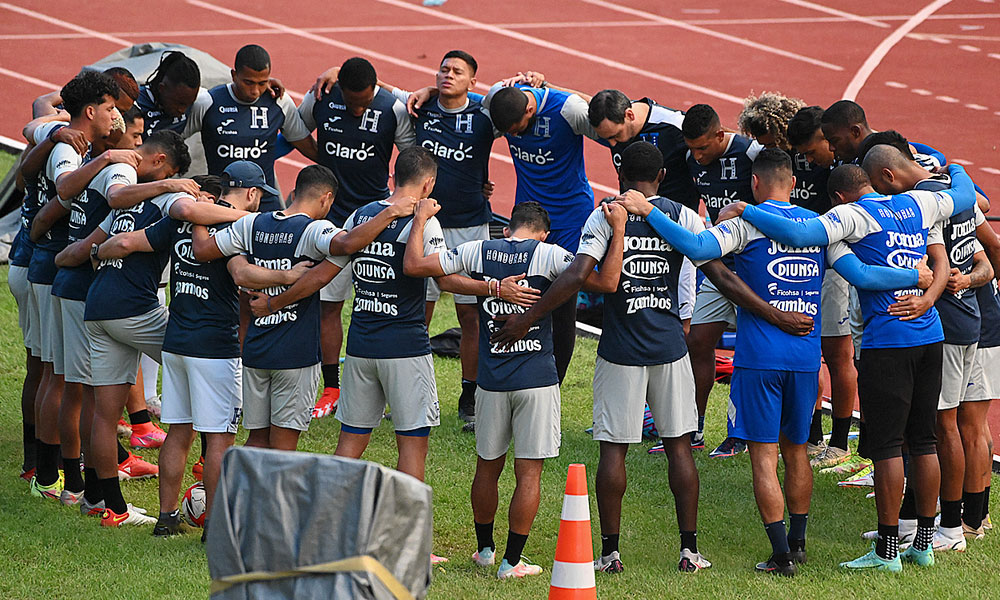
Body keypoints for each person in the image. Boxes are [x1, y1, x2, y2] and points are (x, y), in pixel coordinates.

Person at [492, 142, 813, 574]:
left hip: (620, 347)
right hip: (669, 347)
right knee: (680, 447)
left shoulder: (605, 214)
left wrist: (526, 318)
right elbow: (719, 274)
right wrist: (771, 311)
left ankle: (610, 553)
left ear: (621, 174)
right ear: (662, 176)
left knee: (614, 450)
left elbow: (575, 275)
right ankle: (689, 551)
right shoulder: (681, 215)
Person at [630, 148, 929, 575]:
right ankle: (799, 543)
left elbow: (695, 245)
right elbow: (862, 274)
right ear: (792, 182)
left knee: (763, 456)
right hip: (806, 360)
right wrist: (915, 277)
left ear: (754, 183)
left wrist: (649, 212)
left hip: (758, 359)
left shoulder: (745, 223)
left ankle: (780, 555)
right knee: (797, 452)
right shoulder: (818, 228)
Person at [735, 152, 977, 571]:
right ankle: (922, 542)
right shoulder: (919, 202)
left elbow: (805, 232)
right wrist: (950, 166)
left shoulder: (849, 216)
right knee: (924, 441)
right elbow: (966, 194)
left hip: (888, 341)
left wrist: (749, 211)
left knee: (886, 448)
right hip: (931, 334)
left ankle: (887, 552)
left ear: (841, 195)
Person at [403, 200, 610, 578]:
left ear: (507, 229)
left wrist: (420, 222)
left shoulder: (478, 249)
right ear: (543, 233)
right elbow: (604, 282)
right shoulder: (549, 253)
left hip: (491, 381)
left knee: (487, 467)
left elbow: (419, 267)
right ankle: (511, 562)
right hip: (537, 380)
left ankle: (484, 550)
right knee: (528, 474)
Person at [192, 164, 413, 451]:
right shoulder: (315, 229)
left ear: (294, 192)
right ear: (326, 199)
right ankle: (268, 498)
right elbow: (346, 244)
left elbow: (202, 251)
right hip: (295, 355)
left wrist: (197, 216)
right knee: (283, 447)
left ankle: (241, 495)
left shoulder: (252, 224)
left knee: (257, 440)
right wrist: (390, 212)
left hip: (257, 351)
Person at [863, 147, 993, 552]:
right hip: (965, 320)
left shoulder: (922, 204)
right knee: (926, 430)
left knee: (939, 429)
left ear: (888, 176)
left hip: (947, 327)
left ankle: (953, 526)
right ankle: (911, 521)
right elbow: (983, 251)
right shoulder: (955, 191)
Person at [380, 50, 498, 425]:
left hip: (469, 226)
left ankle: (470, 396)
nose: (448, 75)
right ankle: (398, 393)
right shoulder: (420, 107)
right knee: (415, 313)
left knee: (471, 317)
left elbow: (517, 102)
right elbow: (381, 89)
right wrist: (335, 70)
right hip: (423, 223)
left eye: (457, 71)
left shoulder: (484, 115)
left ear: (472, 82)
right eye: (443, 69)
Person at [298, 56, 416, 419]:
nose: (357, 107)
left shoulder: (393, 108)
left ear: (375, 89)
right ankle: (331, 387)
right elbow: (294, 128)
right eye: (351, 102)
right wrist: (322, 162)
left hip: (376, 220)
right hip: (331, 222)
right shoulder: (321, 96)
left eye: (363, 101)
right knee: (328, 304)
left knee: (381, 302)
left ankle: (384, 388)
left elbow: (410, 154)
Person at [25, 70, 123, 501]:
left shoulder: (57, 130)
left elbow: (36, 116)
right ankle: (59, 478)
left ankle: (48, 473)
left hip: (46, 265)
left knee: (54, 375)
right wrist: (104, 161)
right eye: (110, 107)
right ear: (90, 110)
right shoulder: (69, 145)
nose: (115, 117)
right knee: (64, 381)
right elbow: (64, 186)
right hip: (52, 268)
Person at [746, 99, 858, 468]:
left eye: (812, 152)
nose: (808, 161)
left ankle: (839, 441)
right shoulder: (789, 163)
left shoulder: (842, 168)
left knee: (837, 355)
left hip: (829, 265)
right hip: (797, 267)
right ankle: (810, 434)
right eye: (801, 155)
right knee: (807, 354)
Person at [482, 79, 599, 383]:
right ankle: (519, 374)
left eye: (518, 130)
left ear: (531, 108)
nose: (514, 136)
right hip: (528, 216)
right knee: (522, 293)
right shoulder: (501, 99)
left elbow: (611, 126)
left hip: (572, 217)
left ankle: (554, 383)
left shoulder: (568, 110)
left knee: (563, 301)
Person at [682, 103, 763, 456]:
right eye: (692, 149)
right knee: (698, 342)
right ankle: (692, 428)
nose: (697, 156)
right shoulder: (691, 161)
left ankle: (739, 433)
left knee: (748, 350)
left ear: (720, 135)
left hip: (754, 266)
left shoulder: (752, 154)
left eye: (702, 147)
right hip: (717, 266)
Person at [585, 89, 698, 338]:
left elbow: (714, 138)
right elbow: (581, 99)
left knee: (676, 302)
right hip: (634, 225)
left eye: (614, 136)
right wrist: (544, 85)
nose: (613, 144)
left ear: (628, 115)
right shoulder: (612, 117)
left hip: (675, 231)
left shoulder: (674, 125)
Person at [183, 44, 316, 211]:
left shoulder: (280, 102)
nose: (255, 91)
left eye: (262, 83)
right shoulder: (208, 102)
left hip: (265, 203)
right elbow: (174, 137)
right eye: (248, 82)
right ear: (233, 75)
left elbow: (304, 143)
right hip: (221, 202)